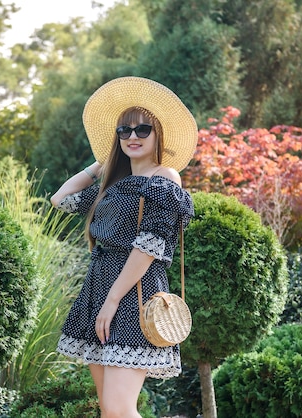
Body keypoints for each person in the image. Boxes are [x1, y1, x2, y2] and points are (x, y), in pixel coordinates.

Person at [50, 76, 198, 418]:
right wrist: (101, 163)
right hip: (100, 285)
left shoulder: (164, 177)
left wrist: (113, 301)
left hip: (133, 293)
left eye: (143, 129)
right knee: (108, 410)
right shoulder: (112, 184)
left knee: (119, 407)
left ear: (158, 133)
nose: (132, 136)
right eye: (124, 131)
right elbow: (61, 199)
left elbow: (149, 246)